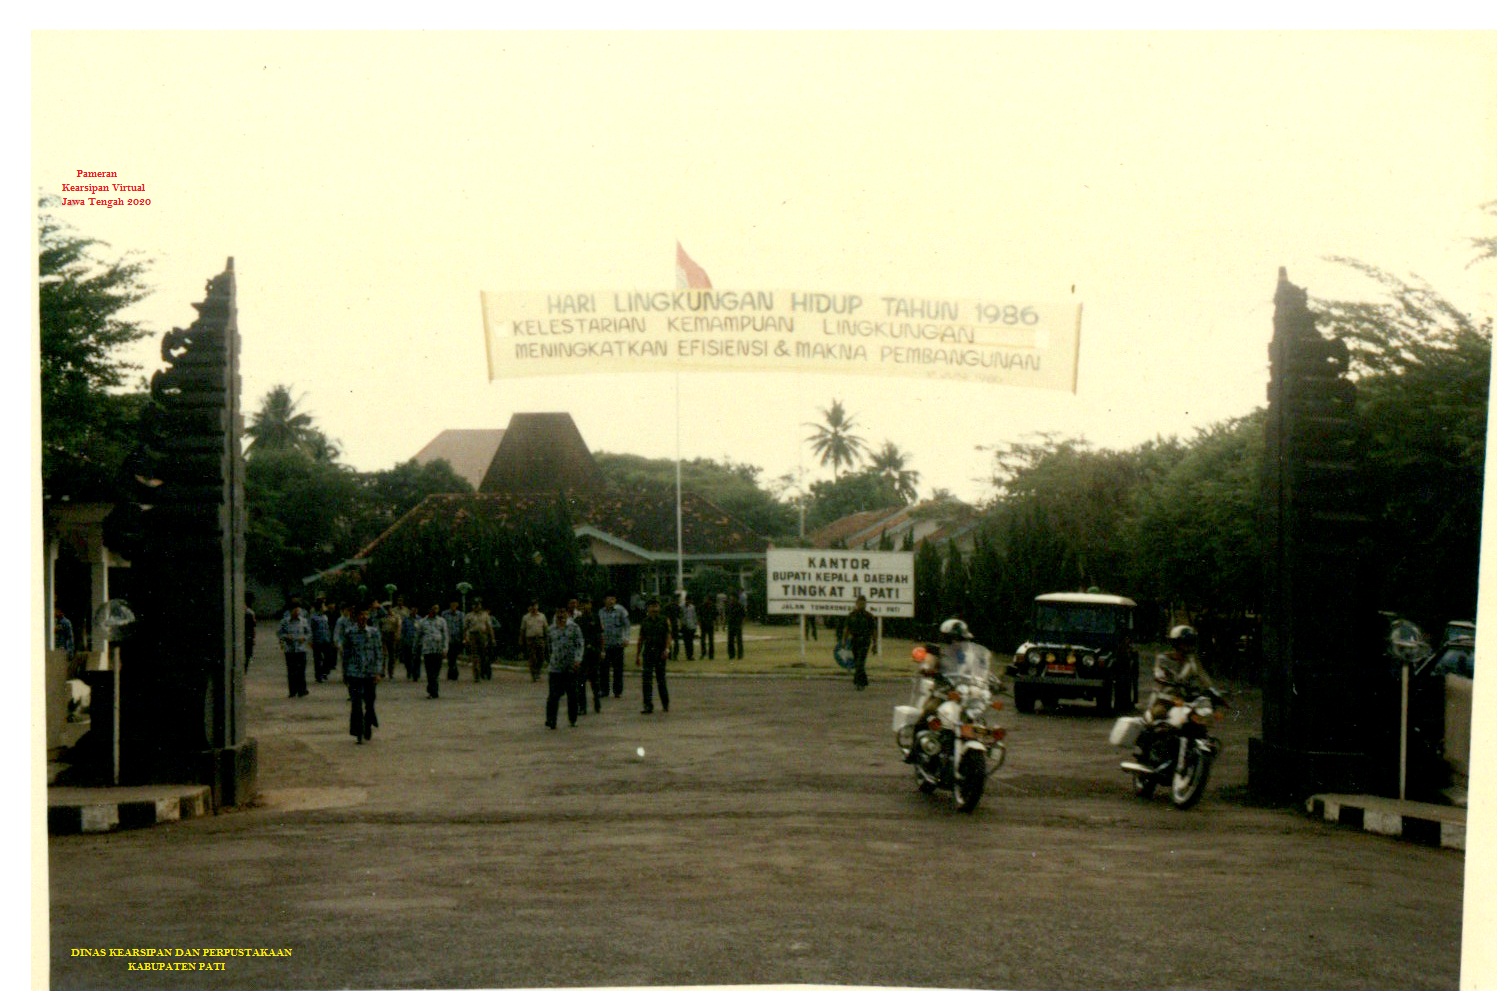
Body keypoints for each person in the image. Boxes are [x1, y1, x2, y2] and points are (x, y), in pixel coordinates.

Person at [1136, 625, 1217, 763]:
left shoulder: (1192, 661)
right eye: (1184, 643)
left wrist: (1213, 691)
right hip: (1164, 699)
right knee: (1158, 719)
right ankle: (1148, 752)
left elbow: (1203, 677)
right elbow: (1159, 672)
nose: (1187, 647)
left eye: (1190, 643)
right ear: (1175, 643)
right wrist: (1163, 677)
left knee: (1198, 722)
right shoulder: (1163, 658)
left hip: (1185, 701)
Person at [341, 607, 383, 743]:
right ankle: (358, 732)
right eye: (361, 614)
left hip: (370, 673)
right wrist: (345, 673)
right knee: (356, 704)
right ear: (356, 617)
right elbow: (345, 655)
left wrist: (378, 672)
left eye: (366, 614)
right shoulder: (350, 633)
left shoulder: (374, 632)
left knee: (370, 703)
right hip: (354, 673)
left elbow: (379, 653)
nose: (364, 617)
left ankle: (368, 723)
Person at [544, 607, 583, 729]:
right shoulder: (551, 629)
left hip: (570, 666)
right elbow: (548, 646)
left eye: (563, 612)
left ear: (567, 613)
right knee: (553, 695)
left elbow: (580, 644)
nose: (561, 615)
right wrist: (549, 659)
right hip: (555, 667)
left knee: (572, 694)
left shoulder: (574, 628)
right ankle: (551, 720)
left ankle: (573, 719)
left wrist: (578, 659)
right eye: (559, 612)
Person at [635, 598, 675, 714]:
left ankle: (665, 704)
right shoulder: (645, 622)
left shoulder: (664, 620)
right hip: (648, 653)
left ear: (659, 608)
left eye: (656, 606)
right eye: (652, 607)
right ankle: (648, 705)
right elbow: (641, 639)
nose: (654, 609)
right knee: (646, 681)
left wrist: (667, 649)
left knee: (661, 680)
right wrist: (637, 656)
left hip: (660, 653)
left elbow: (668, 636)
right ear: (648, 609)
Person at [841, 595, 877, 690]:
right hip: (855, 640)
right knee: (857, 661)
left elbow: (873, 630)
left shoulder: (869, 616)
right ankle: (862, 681)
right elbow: (846, 629)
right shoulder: (852, 615)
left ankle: (859, 682)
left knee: (860, 662)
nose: (862, 605)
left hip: (865, 640)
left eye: (863, 603)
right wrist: (844, 640)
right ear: (856, 604)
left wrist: (875, 644)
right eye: (860, 603)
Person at [598, 593, 631, 698]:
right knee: (604, 669)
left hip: (617, 644)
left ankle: (617, 691)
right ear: (605, 600)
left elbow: (627, 625)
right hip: (605, 645)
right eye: (609, 599)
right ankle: (604, 690)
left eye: (613, 599)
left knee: (618, 669)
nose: (611, 601)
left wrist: (626, 638)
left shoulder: (621, 610)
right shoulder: (600, 612)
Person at [277, 600, 312, 698]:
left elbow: (309, 632)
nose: (297, 613)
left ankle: (302, 690)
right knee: (291, 671)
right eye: (295, 611)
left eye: (299, 611)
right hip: (290, 649)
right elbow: (279, 633)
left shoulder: (304, 621)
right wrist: (286, 636)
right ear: (291, 611)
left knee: (301, 670)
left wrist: (304, 638)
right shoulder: (284, 621)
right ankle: (292, 691)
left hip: (301, 649)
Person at [574, 595, 602, 716]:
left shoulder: (596, 618)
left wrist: (602, 650)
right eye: (583, 604)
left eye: (588, 603)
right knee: (580, 681)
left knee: (595, 680)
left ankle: (597, 701)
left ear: (591, 605)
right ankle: (582, 707)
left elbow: (600, 636)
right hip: (582, 655)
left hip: (594, 653)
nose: (586, 606)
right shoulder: (578, 621)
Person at [417, 603, 450, 698]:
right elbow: (418, 636)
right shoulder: (422, 622)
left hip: (438, 649)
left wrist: (445, 648)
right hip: (427, 649)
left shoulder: (442, 621)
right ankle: (433, 691)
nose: (435, 610)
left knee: (436, 671)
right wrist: (415, 649)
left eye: (437, 609)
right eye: (433, 608)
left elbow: (445, 635)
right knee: (429, 671)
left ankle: (431, 688)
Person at [519, 600, 548, 682]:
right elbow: (522, 630)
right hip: (530, 639)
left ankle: (538, 671)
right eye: (532, 606)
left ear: (537, 606)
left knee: (541, 657)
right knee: (532, 657)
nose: (534, 608)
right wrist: (521, 640)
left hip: (540, 638)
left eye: (535, 605)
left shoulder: (542, 616)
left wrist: (547, 638)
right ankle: (534, 674)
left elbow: (545, 628)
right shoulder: (526, 617)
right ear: (529, 607)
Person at [466, 601, 494, 682]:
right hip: (473, 635)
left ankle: (483, 672)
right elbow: (465, 627)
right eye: (475, 605)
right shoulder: (469, 615)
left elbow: (489, 627)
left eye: (478, 605)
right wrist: (465, 637)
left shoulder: (485, 615)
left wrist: (492, 638)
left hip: (483, 635)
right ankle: (476, 675)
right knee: (475, 656)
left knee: (483, 655)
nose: (476, 607)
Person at [309, 600, 335, 683]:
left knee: (329, 657)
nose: (325, 607)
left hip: (326, 639)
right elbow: (310, 630)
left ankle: (324, 672)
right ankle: (318, 676)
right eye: (323, 606)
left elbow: (327, 629)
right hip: (317, 640)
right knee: (318, 659)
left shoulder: (325, 616)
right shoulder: (313, 617)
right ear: (320, 607)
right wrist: (310, 640)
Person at [442, 600, 465, 681]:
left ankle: (452, 672)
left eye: (455, 605)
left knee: (454, 656)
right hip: (448, 639)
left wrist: (463, 638)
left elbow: (462, 627)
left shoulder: (461, 615)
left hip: (457, 639)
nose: (453, 606)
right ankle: (452, 672)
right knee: (450, 656)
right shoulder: (444, 614)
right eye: (452, 604)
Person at [678, 595, 698, 663]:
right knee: (686, 642)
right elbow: (680, 616)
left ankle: (691, 655)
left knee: (690, 642)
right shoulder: (681, 606)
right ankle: (688, 655)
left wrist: (695, 625)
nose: (689, 602)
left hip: (691, 625)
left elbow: (694, 616)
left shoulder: (692, 607)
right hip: (684, 626)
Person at [726, 592, 745, 660]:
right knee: (730, 640)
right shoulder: (729, 605)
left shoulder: (740, 605)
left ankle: (740, 655)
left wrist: (741, 623)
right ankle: (731, 655)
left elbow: (743, 615)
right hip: (731, 624)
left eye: (733, 597)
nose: (731, 598)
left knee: (739, 641)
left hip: (737, 624)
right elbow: (727, 614)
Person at [698, 594, 718, 659]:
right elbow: (699, 615)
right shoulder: (702, 606)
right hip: (703, 625)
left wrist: (716, 624)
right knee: (703, 641)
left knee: (711, 641)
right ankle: (703, 653)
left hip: (710, 625)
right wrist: (699, 623)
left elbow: (715, 616)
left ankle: (711, 655)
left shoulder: (713, 607)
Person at [243, 594, 256, 672]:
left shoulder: (250, 614)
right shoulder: (250, 613)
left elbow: (253, 627)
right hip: (247, 635)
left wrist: (253, 637)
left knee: (248, 653)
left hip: (248, 635)